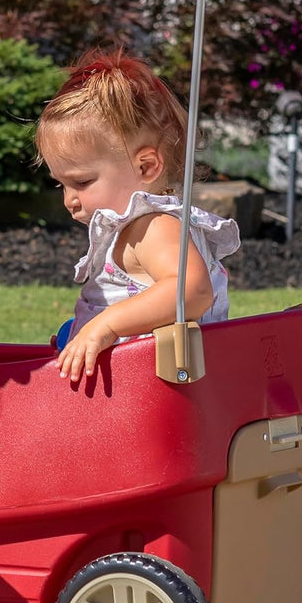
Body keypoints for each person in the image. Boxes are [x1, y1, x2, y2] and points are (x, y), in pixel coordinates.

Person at [34, 47, 240, 382]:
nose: (70, 200)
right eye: (62, 186)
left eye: (82, 182)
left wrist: (107, 323)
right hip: (140, 392)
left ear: (146, 166)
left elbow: (192, 290)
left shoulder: (153, 226)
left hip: (151, 395)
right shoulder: (141, 224)